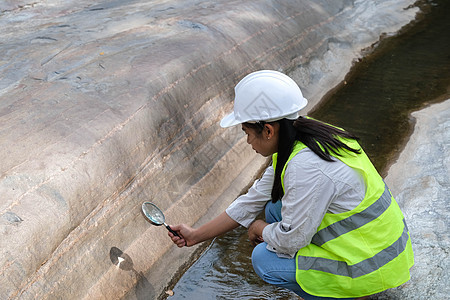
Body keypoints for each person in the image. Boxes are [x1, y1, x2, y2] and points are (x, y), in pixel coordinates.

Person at [168, 70, 414, 299]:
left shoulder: (305, 167)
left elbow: (291, 240)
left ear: (267, 131)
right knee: (274, 206)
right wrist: (195, 235)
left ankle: (354, 294)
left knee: (265, 259)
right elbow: (252, 200)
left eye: (247, 132)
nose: (247, 141)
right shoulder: (308, 137)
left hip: (372, 268)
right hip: (379, 249)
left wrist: (260, 229)